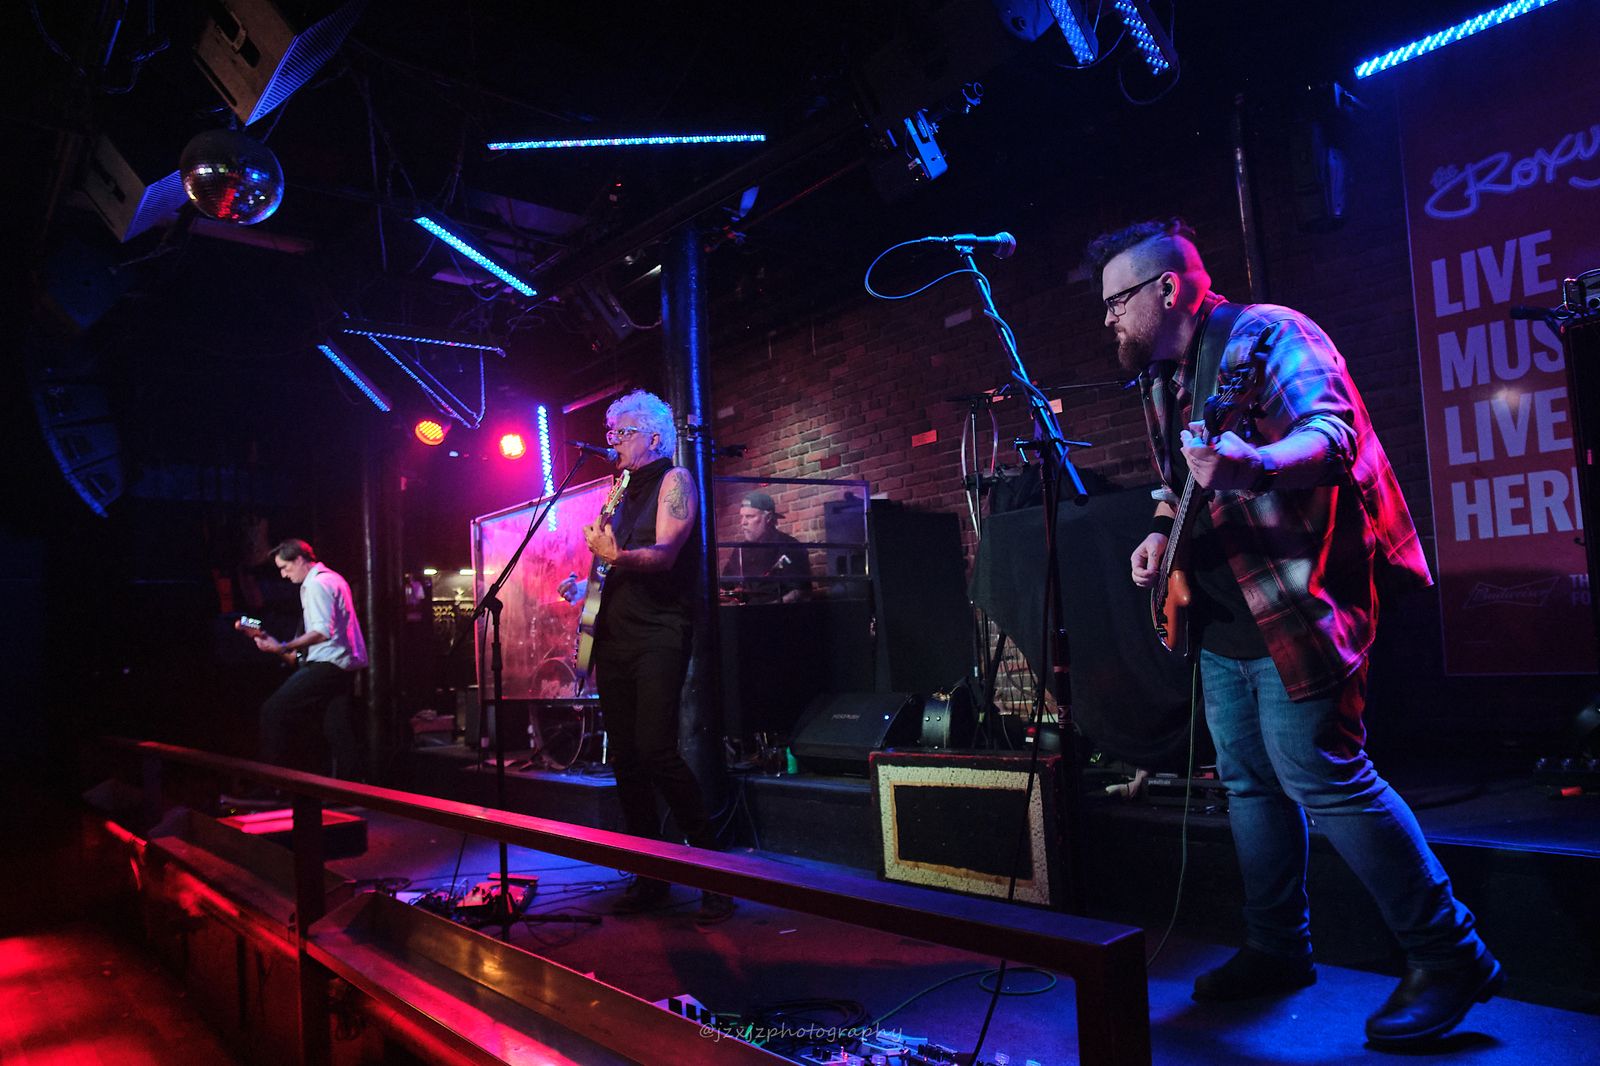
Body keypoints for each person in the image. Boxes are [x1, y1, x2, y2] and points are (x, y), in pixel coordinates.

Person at [1089, 218, 1499, 1046]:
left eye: (1117, 302)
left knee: (1324, 775)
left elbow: (1332, 437)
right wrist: (1160, 533)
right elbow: (1174, 482)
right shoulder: (1161, 379)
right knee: (1249, 786)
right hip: (1221, 619)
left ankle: (1450, 953)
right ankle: (1278, 947)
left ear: (1168, 288)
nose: (1108, 320)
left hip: (1297, 600)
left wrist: (1253, 465)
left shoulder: (1273, 336)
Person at [556, 389, 734, 925]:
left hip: (659, 633)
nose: (613, 441)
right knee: (626, 760)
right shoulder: (617, 490)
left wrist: (617, 556)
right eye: (610, 432)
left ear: (653, 436)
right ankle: (651, 875)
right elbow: (613, 565)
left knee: (657, 751)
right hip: (612, 637)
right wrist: (585, 584)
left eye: (622, 432)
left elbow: (664, 554)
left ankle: (715, 874)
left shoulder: (675, 480)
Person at [241, 539, 368, 781]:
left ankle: (274, 784)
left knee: (273, 710)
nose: (283, 575)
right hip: (342, 664)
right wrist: (278, 648)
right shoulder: (332, 578)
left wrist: (284, 646)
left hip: (330, 664)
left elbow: (322, 632)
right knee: (337, 729)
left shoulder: (317, 584)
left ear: (300, 559)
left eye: (285, 567)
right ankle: (355, 789)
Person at [720, 490, 813, 604]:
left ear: (768, 517)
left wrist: (765, 610)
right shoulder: (740, 551)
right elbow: (724, 588)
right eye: (742, 516)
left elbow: (800, 592)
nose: (743, 522)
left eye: (749, 516)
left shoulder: (790, 546)